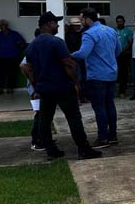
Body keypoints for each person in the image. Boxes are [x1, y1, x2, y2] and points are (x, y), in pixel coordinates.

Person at [22, 11, 101, 160]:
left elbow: (28, 68)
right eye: (55, 23)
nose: (58, 25)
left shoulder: (32, 45)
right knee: (73, 118)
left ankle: (51, 151)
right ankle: (83, 149)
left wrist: (36, 86)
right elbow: (68, 64)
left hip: (44, 89)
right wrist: (77, 83)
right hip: (62, 87)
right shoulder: (56, 42)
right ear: (49, 24)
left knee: (45, 119)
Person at [72, 8, 122, 147]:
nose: (81, 23)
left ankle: (102, 138)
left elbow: (83, 54)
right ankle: (112, 136)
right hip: (111, 74)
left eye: (82, 19)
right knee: (109, 105)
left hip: (97, 76)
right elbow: (118, 50)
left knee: (99, 107)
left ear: (88, 19)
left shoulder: (89, 34)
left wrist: (69, 55)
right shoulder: (111, 30)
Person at [20, 28, 43, 150]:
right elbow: (23, 66)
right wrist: (34, 85)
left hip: (38, 88)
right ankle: (36, 140)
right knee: (39, 114)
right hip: (36, 89)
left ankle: (43, 137)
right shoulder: (34, 49)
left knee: (44, 114)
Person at [0, 19, 25, 94]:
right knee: (1, 73)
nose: (2, 27)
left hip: (14, 56)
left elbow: (22, 42)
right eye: (0, 25)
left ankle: (10, 88)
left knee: (12, 73)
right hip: (3, 57)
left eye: (3, 25)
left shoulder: (14, 34)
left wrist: (18, 51)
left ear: (7, 26)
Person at [115, 15, 133, 98]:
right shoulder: (114, 31)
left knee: (124, 73)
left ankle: (122, 91)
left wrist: (121, 51)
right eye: (118, 21)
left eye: (121, 21)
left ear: (124, 21)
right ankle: (114, 92)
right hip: (115, 55)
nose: (119, 23)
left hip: (124, 55)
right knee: (115, 73)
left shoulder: (128, 31)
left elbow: (129, 43)